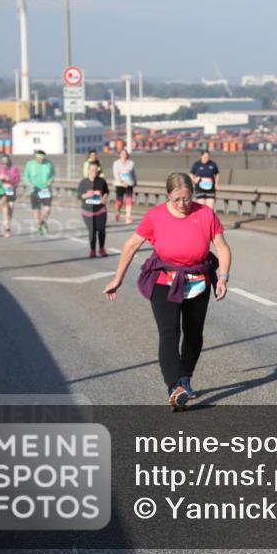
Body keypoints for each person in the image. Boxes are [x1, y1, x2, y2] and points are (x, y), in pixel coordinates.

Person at [103, 172, 231, 410]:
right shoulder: (155, 216)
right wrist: (117, 279)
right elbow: (131, 245)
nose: (183, 205)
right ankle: (174, 388)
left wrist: (223, 277)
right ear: (167, 196)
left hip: (197, 281)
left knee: (194, 334)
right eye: (177, 200)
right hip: (164, 280)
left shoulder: (205, 214)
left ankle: (185, 376)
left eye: (187, 198)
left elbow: (222, 248)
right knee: (169, 333)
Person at [78, 159, 110, 257]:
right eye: (92, 170)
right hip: (87, 211)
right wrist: (87, 195)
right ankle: (92, 250)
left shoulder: (101, 181)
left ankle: (102, 248)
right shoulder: (83, 182)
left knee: (101, 229)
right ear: (88, 170)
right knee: (92, 230)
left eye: (96, 170)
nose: (94, 172)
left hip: (100, 209)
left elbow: (106, 192)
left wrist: (104, 197)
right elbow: (79, 196)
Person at [24, 150, 55, 235]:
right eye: (38, 158)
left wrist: (50, 181)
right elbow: (26, 177)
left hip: (46, 189)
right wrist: (30, 184)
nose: (40, 160)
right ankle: (39, 227)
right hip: (34, 189)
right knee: (36, 209)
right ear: (35, 157)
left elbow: (52, 175)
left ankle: (42, 222)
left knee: (47, 209)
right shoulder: (30, 164)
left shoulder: (48, 163)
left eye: (42, 158)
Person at [0, 155, 21, 237]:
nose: (4, 163)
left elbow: (17, 179)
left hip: (11, 191)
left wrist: (10, 179)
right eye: (3, 161)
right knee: (5, 209)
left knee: (11, 208)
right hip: (2, 191)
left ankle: (8, 224)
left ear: (9, 161)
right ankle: (7, 228)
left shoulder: (14, 168)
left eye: (6, 161)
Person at [112, 148, 137, 223]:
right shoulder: (116, 163)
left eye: (125, 154)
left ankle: (128, 217)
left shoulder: (131, 163)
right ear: (119, 155)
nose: (123, 155)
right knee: (119, 201)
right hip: (119, 184)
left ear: (127, 155)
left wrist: (135, 181)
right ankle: (118, 211)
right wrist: (122, 182)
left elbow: (133, 173)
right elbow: (116, 174)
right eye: (122, 154)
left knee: (129, 200)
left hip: (129, 183)